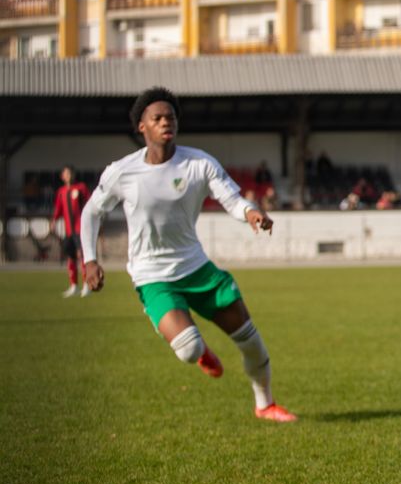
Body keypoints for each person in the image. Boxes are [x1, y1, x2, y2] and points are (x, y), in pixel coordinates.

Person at [79, 87, 296, 423]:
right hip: (152, 276)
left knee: (252, 342)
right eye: (158, 118)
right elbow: (92, 213)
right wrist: (90, 259)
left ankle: (265, 404)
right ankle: (202, 352)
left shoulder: (199, 163)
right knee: (189, 349)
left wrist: (251, 212)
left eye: (171, 117)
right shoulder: (121, 172)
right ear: (142, 127)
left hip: (198, 270)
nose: (167, 122)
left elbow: (232, 200)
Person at [51, 165, 90, 297]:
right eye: (66, 173)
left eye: (70, 173)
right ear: (62, 176)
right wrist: (54, 221)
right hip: (68, 230)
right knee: (71, 256)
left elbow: (89, 204)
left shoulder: (81, 188)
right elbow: (58, 208)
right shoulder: (61, 192)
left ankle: (87, 285)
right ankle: (74, 286)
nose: (68, 175)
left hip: (80, 228)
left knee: (82, 255)